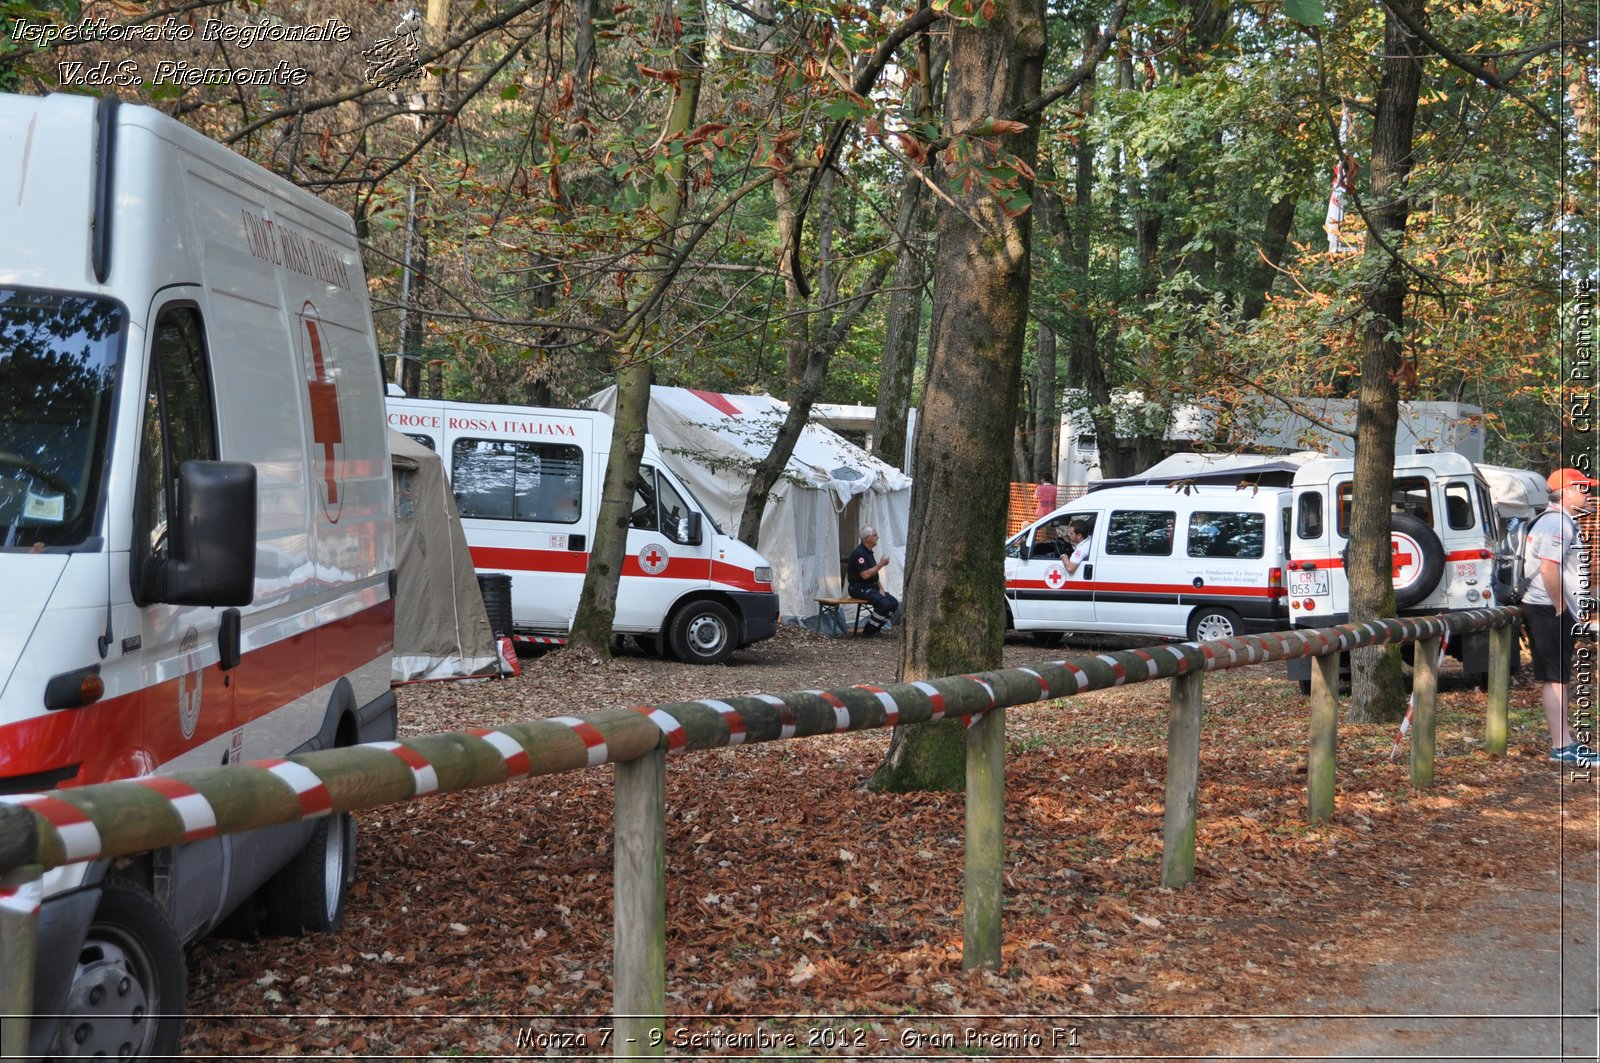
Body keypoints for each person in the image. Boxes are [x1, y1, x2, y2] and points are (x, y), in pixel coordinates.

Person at [1523, 467, 1596, 766]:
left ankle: (1565, 742)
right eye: (1582, 488)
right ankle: (1561, 747)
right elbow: (1549, 567)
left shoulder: (1558, 521)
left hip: (1551, 608)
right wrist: (1559, 608)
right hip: (1548, 608)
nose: (1588, 493)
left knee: (1559, 677)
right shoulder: (1557, 524)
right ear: (1565, 493)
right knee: (1554, 678)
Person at [847, 525, 900, 637]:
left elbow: (873, 574)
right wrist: (881, 564)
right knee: (884, 604)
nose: (878, 537)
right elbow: (865, 575)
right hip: (858, 588)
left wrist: (880, 588)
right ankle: (868, 631)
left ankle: (876, 628)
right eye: (875, 535)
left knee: (893, 603)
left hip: (872, 587)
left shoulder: (869, 552)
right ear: (867, 538)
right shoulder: (859, 553)